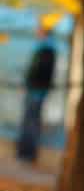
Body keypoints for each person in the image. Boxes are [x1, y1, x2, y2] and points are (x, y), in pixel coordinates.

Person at [15, 22, 57, 164]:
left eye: (38, 29)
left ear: (44, 31)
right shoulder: (47, 47)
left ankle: (26, 153)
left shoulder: (46, 48)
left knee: (30, 121)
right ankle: (26, 153)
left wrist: (28, 84)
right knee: (31, 120)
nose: (36, 31)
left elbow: (39, 71)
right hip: (37, 89)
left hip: (36, 90)